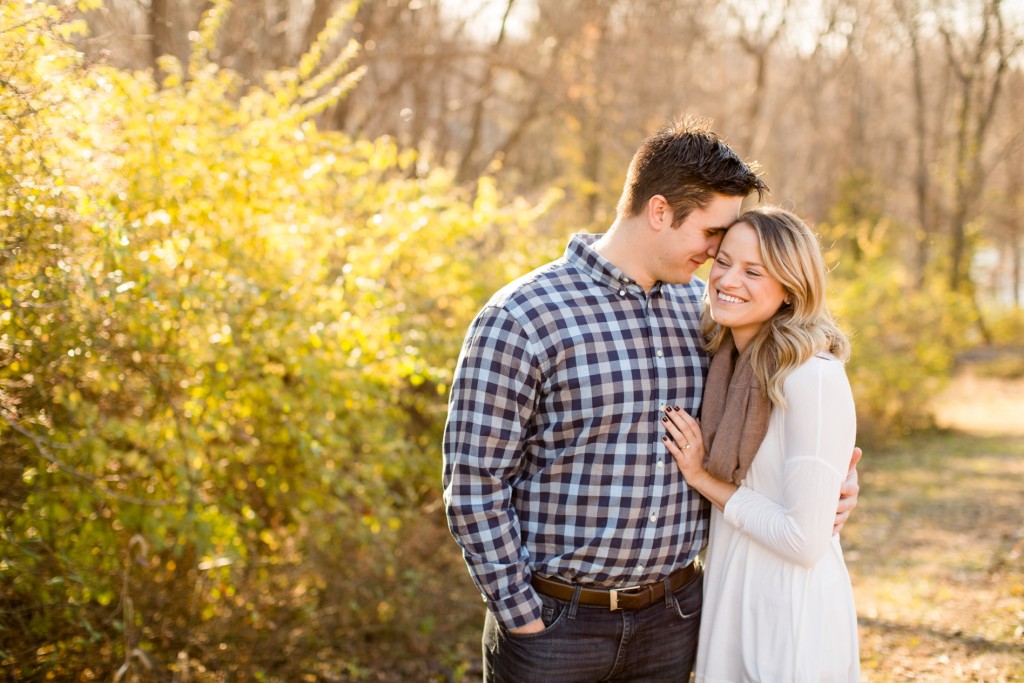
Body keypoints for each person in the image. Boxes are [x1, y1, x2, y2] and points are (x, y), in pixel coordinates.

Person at [442, 116, 860, 682]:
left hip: (677, 619)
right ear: (660, 212)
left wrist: (828, 483)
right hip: (556, 626)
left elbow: (774, 414)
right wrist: (524, 619)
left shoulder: (708, 313)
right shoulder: (522, 317)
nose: (719, 256)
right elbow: (474, 485)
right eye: (713, 234)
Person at [662, 206, 860, 681]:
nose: (728, 280)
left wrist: (702, 478)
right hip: (730, 594)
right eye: (723, 261)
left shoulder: (811, 376)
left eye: (753, 271)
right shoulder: (726, 361)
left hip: (787, 612)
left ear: (791, 288)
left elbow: (803, 540)